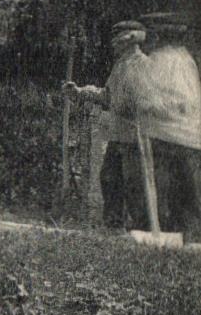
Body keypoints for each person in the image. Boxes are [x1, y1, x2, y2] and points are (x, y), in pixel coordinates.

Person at [67, 20, 171, 230]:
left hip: (136, 137)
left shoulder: (144, 65)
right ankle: (113, 228)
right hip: (117, 135)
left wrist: (135, 106)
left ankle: (142, 231)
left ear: (129, 39)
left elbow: (153, 101)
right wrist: (80, 92)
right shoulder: (120, 65)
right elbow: (108, 96)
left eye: (117, 37)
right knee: (109, 179)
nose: (113, 43)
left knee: (134, 185)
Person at [141, 13, 201, 238]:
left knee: (171, 190)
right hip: (183, 135)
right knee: (184, 191)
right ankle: (182, 236)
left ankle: (177, 235)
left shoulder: (165, 61)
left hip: (171, 134)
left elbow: (184, 102)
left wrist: (153, 106)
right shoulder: (184, 60)